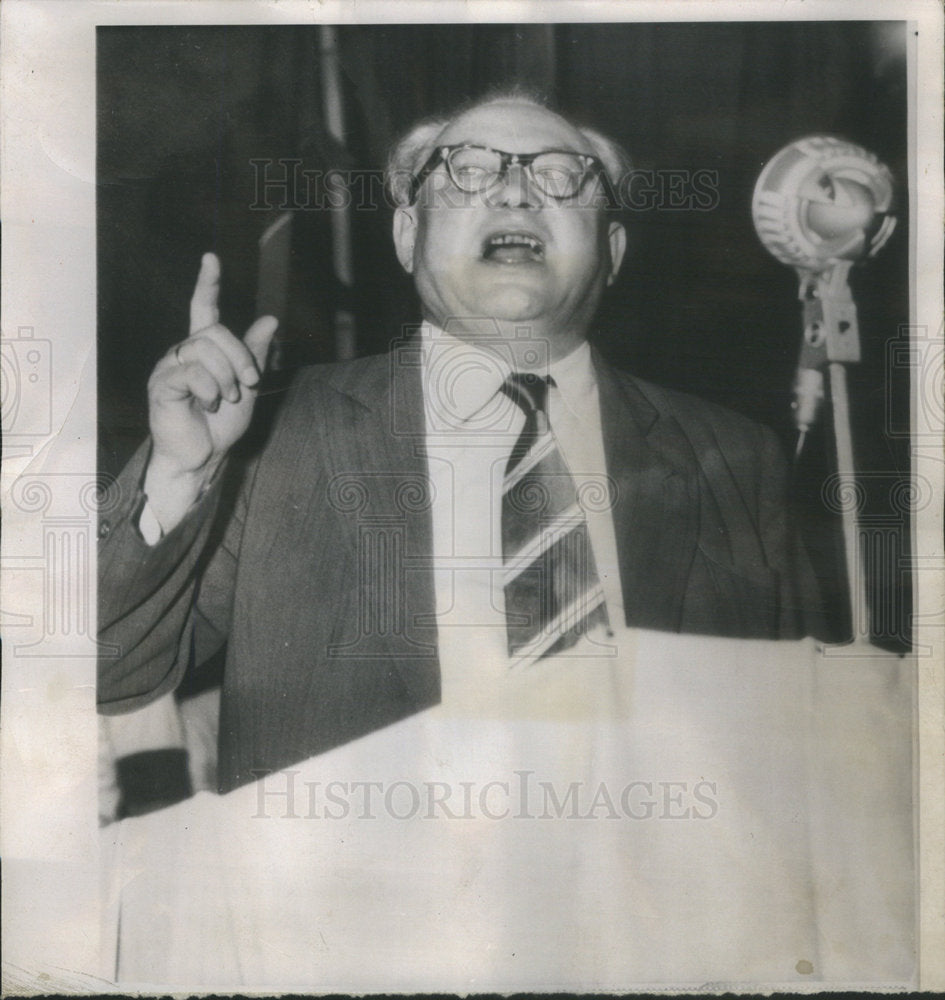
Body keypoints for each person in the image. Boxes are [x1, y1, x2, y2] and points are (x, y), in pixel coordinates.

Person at [98, 92, 823, 792]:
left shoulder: (736, 459)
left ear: (612, 249)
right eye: (468, 171)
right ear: (407, 236)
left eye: (559, 176)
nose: (515, 193)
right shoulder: (275, 432)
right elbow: (102, 669)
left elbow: (799, 751)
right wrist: (179, 473)